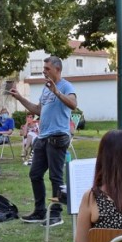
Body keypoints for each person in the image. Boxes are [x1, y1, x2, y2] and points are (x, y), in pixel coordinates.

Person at [8, 55, 78, 227]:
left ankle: (55, 214)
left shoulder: (66, 86)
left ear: (57, 69)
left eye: (47, 69)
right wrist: (20, 98)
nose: (44, 72)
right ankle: (40, 212)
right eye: (43, 69)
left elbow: (73, 104)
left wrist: (57, 92)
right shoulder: (46, 89)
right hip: (43, 137)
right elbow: (37, 109)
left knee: (55, 177)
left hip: (58, 137)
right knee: (35, 174)